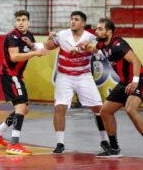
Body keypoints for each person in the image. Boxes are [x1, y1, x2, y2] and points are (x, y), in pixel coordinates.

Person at [75, 18, 143, 160]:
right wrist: (84, 46)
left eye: (100, 29)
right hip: (124, 82)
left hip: (140, 79)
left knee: (131, 109)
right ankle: (114, 148)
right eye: (96, 28)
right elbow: (94, 48)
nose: (96, 31)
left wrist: (134, 81)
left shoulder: (118, 44)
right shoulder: (103, 43)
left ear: (109, 32)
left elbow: (136, 61)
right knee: (105, 111)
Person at [29, 11, 110, 154]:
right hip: (64, 76)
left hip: (84, 76)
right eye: (71, 19)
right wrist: (32, 44)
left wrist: (82, 48)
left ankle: (104, 141)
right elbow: (47, 45)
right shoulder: (62, 35)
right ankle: (60, 143)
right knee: (59, 108)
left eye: (76, 19)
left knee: (99, 109)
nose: (72, 21)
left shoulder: (91, 38)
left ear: (83, 23)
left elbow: (100, 51)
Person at [0, 10, 48, 155]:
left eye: (24, 20)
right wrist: (34, 53)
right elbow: (14, 57)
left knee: (24, 109)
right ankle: (14, 144)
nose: (21, 22)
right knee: (21, 108)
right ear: (15, 22)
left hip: (17, 76)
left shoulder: (28, 35)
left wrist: (35, 47)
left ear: (29, 22)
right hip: (10, 75)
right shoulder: (12, 36)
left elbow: (33, 48)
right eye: (18, 20)